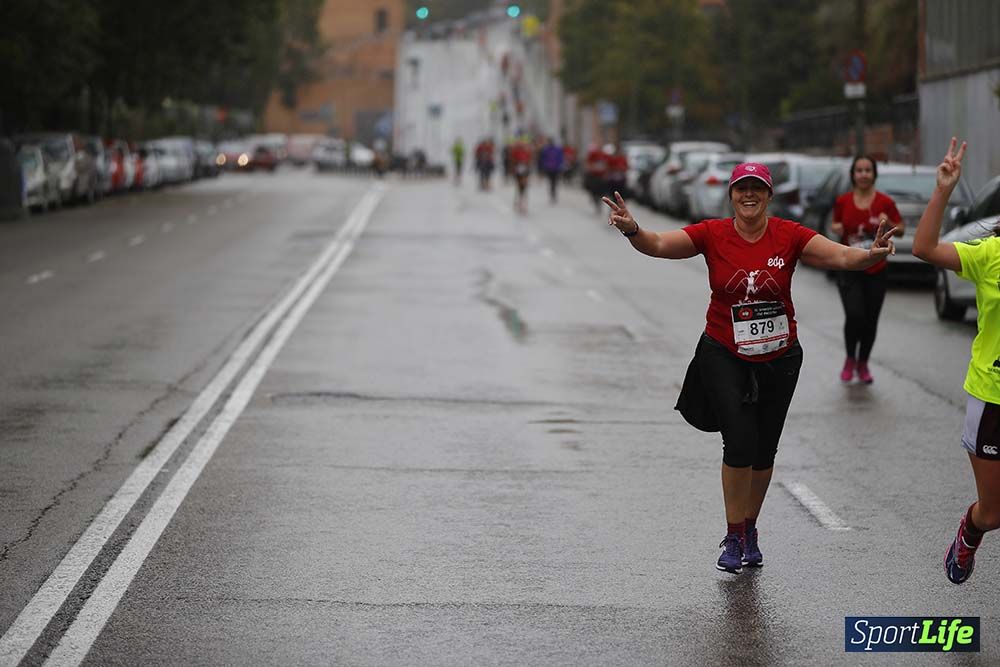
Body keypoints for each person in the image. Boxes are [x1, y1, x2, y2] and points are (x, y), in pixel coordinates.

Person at [603, 162, 898, 574]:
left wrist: (871, 255)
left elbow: (841, 256)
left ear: (769, 196)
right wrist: (633, 229)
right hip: (723, 349)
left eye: (757, 188)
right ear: (731, 194)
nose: (749, 195)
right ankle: (734, 534)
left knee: (763, 450)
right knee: (738, 441)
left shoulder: (789, 235)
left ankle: (751, 527)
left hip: (780, 355)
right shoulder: (712, 233)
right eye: (742, 188)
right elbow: (657, 244)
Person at [912, 138, 1000, 585]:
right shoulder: (990, 255)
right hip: (993, 396)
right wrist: (943, 190)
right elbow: (924, 248)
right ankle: (970, 529)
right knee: (994, 510)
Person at [830, 156, 904, 384]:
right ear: (853, 174)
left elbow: (900, 230)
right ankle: (850, 359)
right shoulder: (843, 201)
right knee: (854, 315)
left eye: (867, 170)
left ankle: (863, 363)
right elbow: (834, 224)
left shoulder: (885, 202)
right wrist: (837, 227)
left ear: (874, 174)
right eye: (859, 170)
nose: (863, 174)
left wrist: (888, 222)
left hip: (876, 268)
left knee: (871, 319)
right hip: (849, 268)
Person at [583, 143, 609, 212]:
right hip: (594, 175)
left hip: (601, 176)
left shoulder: (605, 155)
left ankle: (599, 203)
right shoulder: (593, 154)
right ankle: (595, 200)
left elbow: (607, 164)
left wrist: (606, 173)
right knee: (593, 190)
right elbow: (588, 163)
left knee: (601, 191)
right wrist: (591, 168)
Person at [510, 138, 533, 213]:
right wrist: (513, 169)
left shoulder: (527, 151)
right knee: (519, 186)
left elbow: (530, 160)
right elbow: (512, 160)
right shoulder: (515, 151)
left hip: (525, 170)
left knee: (524, 186)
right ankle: (520, 201)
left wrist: (528, 167)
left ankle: (523, 202)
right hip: (518, 170)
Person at [539, 137, 564, 203]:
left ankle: (553, 193)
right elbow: (543, 159)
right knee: (552, 182)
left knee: (553, 182)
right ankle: (553, 193)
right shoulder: (547, 150)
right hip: (551, 168)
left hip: (553, 168)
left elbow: (560, 158)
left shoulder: (553, 149)